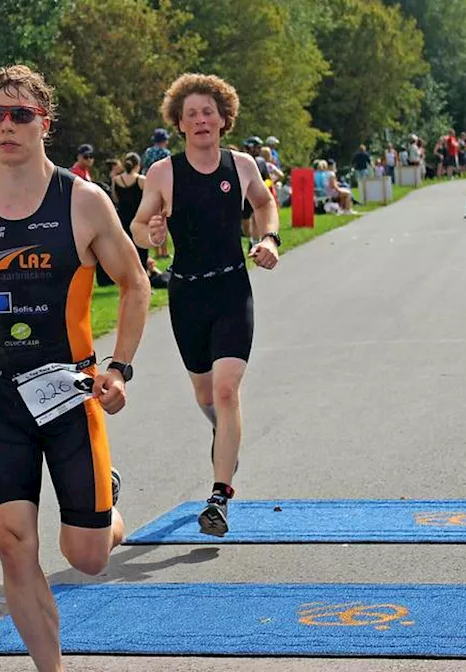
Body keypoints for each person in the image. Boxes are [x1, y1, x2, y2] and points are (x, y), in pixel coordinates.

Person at [0, 64, 149, 672]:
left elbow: (135, 284)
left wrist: (118, 366)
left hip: (69, 393)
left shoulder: (84, 201)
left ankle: (107, 506)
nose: (7, 125)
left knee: (87, 556)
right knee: (15, 547)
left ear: (46, 122)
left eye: (21, 114)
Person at [130, 72, 280, 538]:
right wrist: (150, 233)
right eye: (191, 113)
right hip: (187, 295)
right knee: (205, 395)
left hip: (233, 289)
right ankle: (226, 438)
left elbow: (264, 205)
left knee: (226, 390)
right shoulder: (163, 173)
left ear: (223, 119)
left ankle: (219, 494)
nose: (200, 120)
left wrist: (270, 237)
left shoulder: (242, 166)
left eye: (207, 112)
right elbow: (136, 226)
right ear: (179, 123)